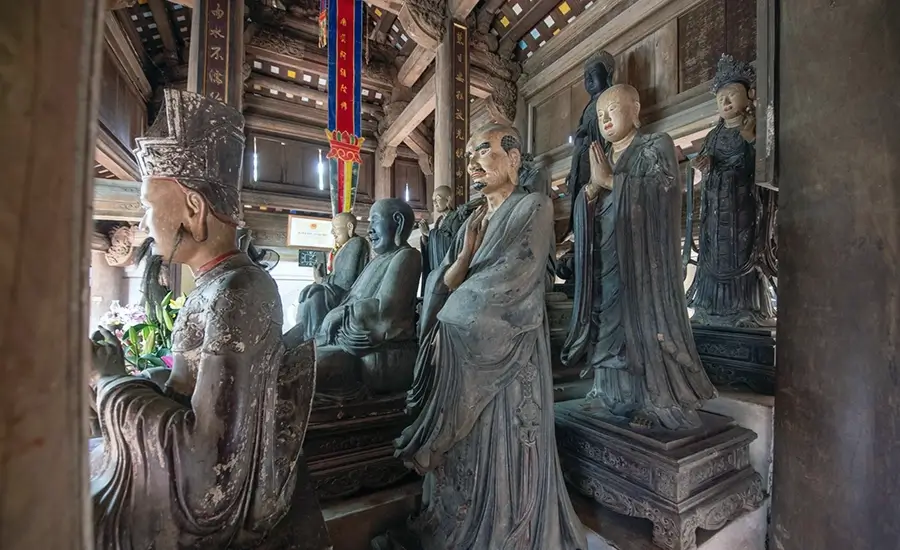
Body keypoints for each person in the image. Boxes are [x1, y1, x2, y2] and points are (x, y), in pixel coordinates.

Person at [89, 89, 324, 549]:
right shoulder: (214, 285)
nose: (143, 223)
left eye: (148, 206)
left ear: (194, 209)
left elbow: (210, 471)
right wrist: (135, 382)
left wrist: (112, 383)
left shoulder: (238, 293)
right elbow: (189, 387)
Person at [391, 123, 586, 550]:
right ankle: (454, 521)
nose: (472, 164)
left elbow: (515, 275)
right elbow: (447, 279)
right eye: (468, 157)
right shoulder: (473, 220)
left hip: (508, 346)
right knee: (465, 452)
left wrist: (455, 309)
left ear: (513, 159)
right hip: (463, 345)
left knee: (502, 442)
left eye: (482, 151)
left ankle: (503, 531)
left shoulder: (533, 205)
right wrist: (465, 253)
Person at [561, 84, 717, 431]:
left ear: (635, 110)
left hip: (643, 261)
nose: (605, 119)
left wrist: (611, 181)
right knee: (607, 325)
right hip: (606, 259)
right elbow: (588, 205)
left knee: (643, 325)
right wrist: (590, 191)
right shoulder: (602, 154)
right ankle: (610, 393)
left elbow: (664, 192)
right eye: (600, 115)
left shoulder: (654, 145)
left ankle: (652, 399)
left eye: (612, 110)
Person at [688, 54, 776, 327]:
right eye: (721, 98)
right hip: (716, 212)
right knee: (713, 255)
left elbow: (770, 166)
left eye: (732, 95)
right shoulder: (712, 136)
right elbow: (700, 172)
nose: (725, 102)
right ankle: (709, 308)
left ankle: (747, 308)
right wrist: (702, 165)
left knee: (743, 256)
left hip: (744, 208)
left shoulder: (757, 125)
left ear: (749, 96)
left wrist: (752, 139)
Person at [294, 211, 370, 340]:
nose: (332, 232)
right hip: (335, 291)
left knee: (314, 297)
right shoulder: (347, 246)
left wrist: (322, 279)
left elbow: (346, 281)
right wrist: (322, 278)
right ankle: (304, 334)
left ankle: (314, 337)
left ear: (350, 227)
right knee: (309, 293)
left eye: (335, 228)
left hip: (346, 294)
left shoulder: (356, 243)